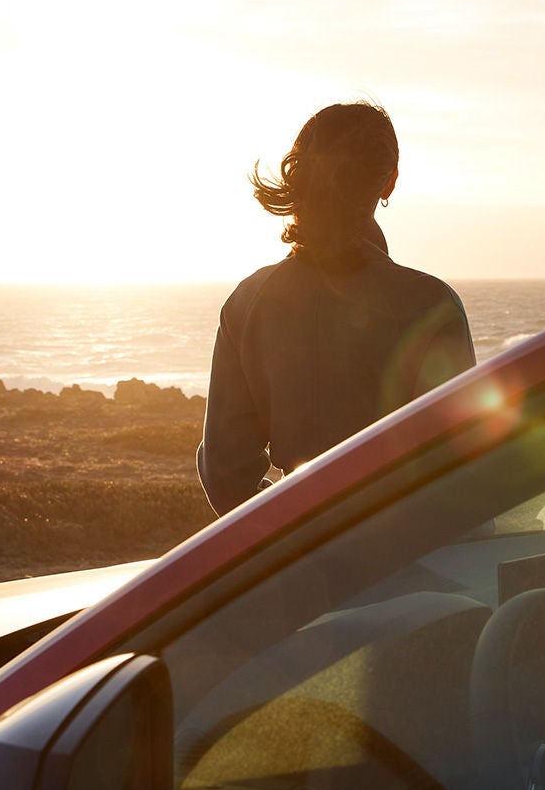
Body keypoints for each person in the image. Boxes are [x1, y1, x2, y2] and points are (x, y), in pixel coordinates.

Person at [197, 102, 476, 515]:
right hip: (416, 565)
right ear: (389, 183)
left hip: (298, 567)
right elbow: (464, 465)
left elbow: (224, 472)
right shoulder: (430, 305)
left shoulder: (248, 302)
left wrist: (292, 548)